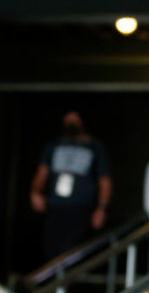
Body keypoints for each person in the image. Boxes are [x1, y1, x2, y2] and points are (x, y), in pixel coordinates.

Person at [30, 111, 112, 259]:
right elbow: (42, 172)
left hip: (81, 208)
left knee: (74, 251)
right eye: (68, 119)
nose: (71, 122)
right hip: (56, 206)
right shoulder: (54, 145)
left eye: (74, 119)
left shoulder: (94, 147)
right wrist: (35, 192)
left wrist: (102, 208)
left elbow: (104, 180)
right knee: (51, 249)